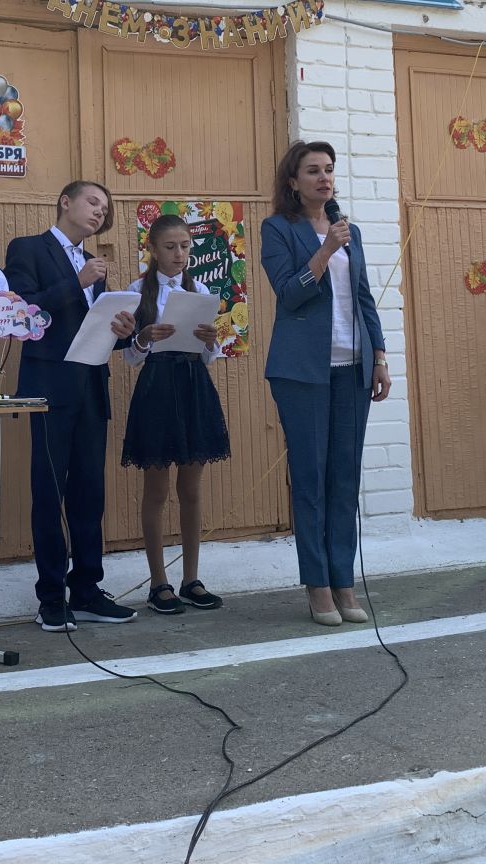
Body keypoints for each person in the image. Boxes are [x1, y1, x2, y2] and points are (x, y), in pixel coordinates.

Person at [260, 141, 390, 626]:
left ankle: (343, 581)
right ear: (293, 182)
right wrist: (326, 250)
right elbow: (289, 294)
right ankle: (317, 586)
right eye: (312, 170)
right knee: (311, 479)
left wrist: (379, 356)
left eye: (329, 170)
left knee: (344, 479)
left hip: (352, 369)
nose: (324, 178)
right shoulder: (278, 228)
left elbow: (363, 297)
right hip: (301, 372)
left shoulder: (349, 230)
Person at [5, 180, 138, 632]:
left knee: (89, 493)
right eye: (93, 202)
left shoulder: (92, 263)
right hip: (48, 389)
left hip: (91, 387)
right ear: (66, 201)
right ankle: (50, 597)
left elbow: (93, 330)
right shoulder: (28, 249)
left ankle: (86, 590)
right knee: (48, 493)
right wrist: (76, 282)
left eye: (105, 207)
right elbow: (22, 312)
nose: (100, 212)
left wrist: (125, 334)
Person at [120, 214, 232, 615]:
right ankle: (158, 582)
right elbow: (130, 358)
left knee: (192, 490)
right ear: (152, 249)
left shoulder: (199, 289)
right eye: (170, 247)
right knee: (157, 490)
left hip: (192, 386)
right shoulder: (137, 291)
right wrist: (143, 338)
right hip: (156, 388)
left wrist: (210, 340)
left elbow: (209, 357)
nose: (179, 254)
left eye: (185, 246)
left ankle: (191, 579)